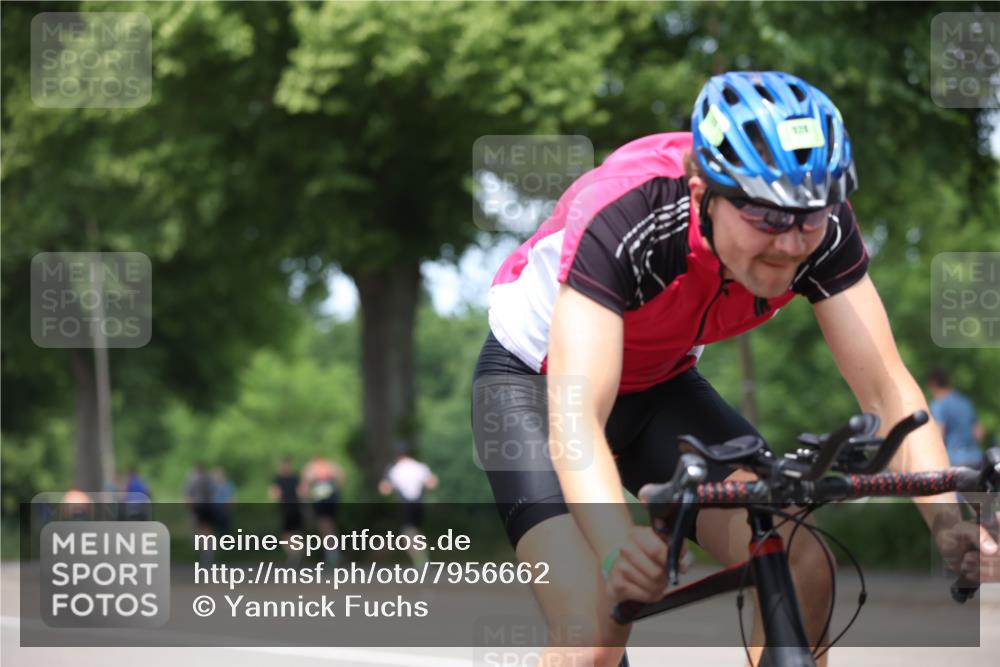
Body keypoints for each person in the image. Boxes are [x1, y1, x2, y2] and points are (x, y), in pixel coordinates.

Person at [471, 70, 998, 667]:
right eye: (766, 218)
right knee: (592, 626)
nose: (790, 243)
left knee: (802, 561)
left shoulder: (821, 228)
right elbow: (577, 416)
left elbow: (887, 390)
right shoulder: (629, 210)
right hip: (534, 389)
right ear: (704, 195)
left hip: (660, 386)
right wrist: (618, 547)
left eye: (808, 217)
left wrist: (946, 522)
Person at [378, 448, 439, 565]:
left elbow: (384, 489)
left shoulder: (394, 469)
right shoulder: (419, 466)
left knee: (408, 531)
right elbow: (432, 483)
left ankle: (420, 559)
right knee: (416, 529)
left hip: (406, 504)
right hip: (420, 503)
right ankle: (423, 555)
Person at [926, 367, 984, 467]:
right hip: (976, 458)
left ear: (933, 384)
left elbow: (939, 433)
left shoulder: (938, 404)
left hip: (954, 461)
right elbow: (979, 433)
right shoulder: (965, 402)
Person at [300, 454, 346, 565]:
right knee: (329, 525)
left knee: (324, 525)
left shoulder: (311, 468)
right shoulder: (330, 466)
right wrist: (337, 489)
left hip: (321, 500)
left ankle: (332, 554)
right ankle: (333, 553)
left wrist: (305, 500)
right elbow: (341, 475)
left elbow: (304, 487)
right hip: (331, 498)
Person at [184, 463, 216, 565]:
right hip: (209, 508)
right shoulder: (209, 480)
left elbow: (189, 498)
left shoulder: (193, 480)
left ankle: (203, 552)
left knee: (199, 531)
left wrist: (189, 509)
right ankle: (208, 553)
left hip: (198, 508)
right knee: (208, 531)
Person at [211, 466, 236, 536]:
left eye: (219, 475)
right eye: (215, 475)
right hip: (214, 510)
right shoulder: (211, 485)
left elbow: (232, 497)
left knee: (225, 530)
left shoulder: (228, 485)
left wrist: (229, 507)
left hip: (225, 510)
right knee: (214, 530)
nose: (217, 477)